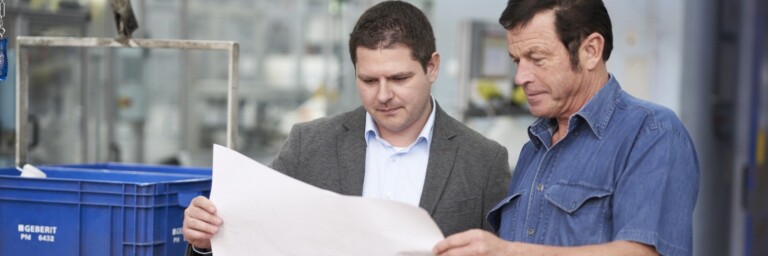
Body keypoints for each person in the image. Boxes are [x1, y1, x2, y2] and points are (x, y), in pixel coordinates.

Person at [182, 1, 511, 255]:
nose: (383, 95)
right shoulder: (309, 145)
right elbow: (255, 235)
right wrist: (207, 239)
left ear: (432, 67)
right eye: (368, 80)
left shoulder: (483, 161)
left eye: (399, 78)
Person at [432, 0, 700, 256]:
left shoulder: (651, 133)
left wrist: (510, 252)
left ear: (591, 51)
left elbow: (643, 252)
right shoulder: (534, 149)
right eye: (517, 61)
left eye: (537, 58)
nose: (520, 77)